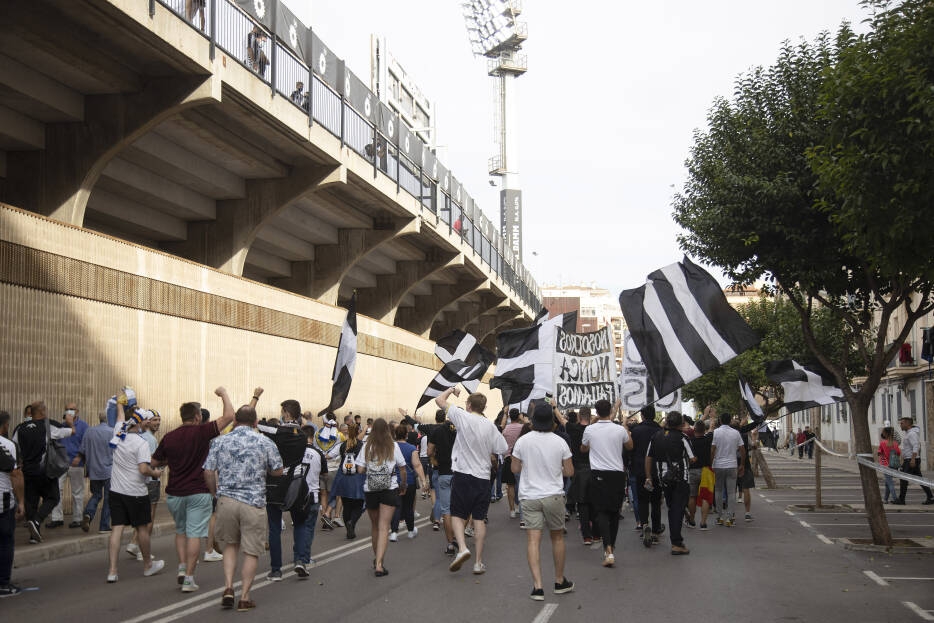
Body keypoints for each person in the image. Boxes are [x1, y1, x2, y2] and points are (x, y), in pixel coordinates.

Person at [151, 388, 238, 592]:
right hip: (198, 492)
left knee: (180, 531)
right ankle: (189, 579)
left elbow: (154, 461)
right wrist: (224, 393)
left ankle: (182, 568)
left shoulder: (169, 436)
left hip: (174, 493)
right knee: (194, 534)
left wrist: (171, 460)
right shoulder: (203, 432)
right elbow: (229, 416)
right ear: (198, 416)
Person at [204, 404, 283, 611]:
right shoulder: (265, 441)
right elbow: (278, 471)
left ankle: (229, 587)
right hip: (253, 502)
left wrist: (214, 493)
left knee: (230, 545)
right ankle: (245, 596)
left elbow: (208, 471)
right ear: (256, 422)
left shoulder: (220, 441)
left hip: (226, 501)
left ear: (236, 421)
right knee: (251, 551)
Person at [435, 387, 508, 575]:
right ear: (483, 407)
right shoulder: (489, 426)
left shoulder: (462, 416)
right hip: (483, 478)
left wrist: (451, 390)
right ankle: (478, 562)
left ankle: (462, 548)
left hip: (462, 475)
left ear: (468, 405)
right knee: (479, 519)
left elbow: (439, 400)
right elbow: (502, 447)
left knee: (457, 515)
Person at [511, 403, 575, 600]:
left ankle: (538, 587)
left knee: (533, 540)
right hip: (553, 495)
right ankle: (559, 580)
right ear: (552, 422)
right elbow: (570, 472)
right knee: (557, 538)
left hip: (529, 496)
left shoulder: (522, 442)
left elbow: (515, 469)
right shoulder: (560, 442)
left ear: (533, 420)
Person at [106, 398, 166, 582]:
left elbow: (121, 416)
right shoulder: (140, 443)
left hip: (116, 490)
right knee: (141, 528)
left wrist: (119, 403)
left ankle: (113, 571)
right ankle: (147, 565)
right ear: (140, 423)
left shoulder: (119, 432)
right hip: (136, 492)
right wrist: (155, 473)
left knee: (116, 529)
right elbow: (143, 469)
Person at [258, 399, 314, 582]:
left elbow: (251, 421)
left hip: (275, 484)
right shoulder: (302, 435)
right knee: (299, 523)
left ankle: (276, 570)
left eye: (282, 411)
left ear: (286, 413)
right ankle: (299, 560)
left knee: (274, 528)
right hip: (298, 484)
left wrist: (257, 397)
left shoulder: (277, 432)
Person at [12, 400, 75, 543]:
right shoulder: (48, 426)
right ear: (42, 412)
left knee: (31, 503)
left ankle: (33, 536)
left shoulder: (20, 429)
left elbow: (14, 447)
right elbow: (72, 432)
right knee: (53, 498)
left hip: (27, 473)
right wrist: (70, 422)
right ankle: (37, 521)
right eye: (45, 410)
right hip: (44, 472)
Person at [581, 398, 631, 567]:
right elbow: (630, 446)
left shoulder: (590, 430)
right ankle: (611, 548)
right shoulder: (619, 430)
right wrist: (625, 427)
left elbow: (583, 448)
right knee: (614, 512)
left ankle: (608, 548)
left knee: (601, 512)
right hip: (617, 474)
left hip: (598, 474)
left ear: (596, 411)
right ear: (610, 411)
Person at [354, 418, 406, 577]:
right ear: (388, 431)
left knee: (375, 526)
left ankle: (376, 557)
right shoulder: (393, 445)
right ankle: (379, 564)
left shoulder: (366, 446)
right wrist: (403, 485)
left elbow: (360, 470)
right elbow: (402, 468)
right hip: (389, 488)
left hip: (371, 489)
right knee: (385, 527)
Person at [645, 411, 695, 555]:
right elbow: (692, 458)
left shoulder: (656, 436)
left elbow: (648, 457)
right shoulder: (683, 438)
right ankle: (676, 543)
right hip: (681, 478)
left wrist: (648, 476)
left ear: (666, 421)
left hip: (663, 478)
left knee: (672, 507)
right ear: (680, 423)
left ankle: (676, 540)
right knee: (677, 510)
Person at [127, 411, 163, 561]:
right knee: (150, 516)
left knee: (142, 515)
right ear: (146, 421)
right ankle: (143, 550)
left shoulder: (135, 437)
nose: (157, 423)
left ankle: (134, 543)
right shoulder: (150, 440)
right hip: (151, 480)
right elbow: (153, 462)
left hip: (138, 481)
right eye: (154, 420)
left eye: (159, 420)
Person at [49, 402, 87, 529]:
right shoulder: (61, 426)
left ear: (77, 411)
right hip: (61, 464)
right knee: (56, 490)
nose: (69, 411)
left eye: (72, 409)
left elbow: (86, 443)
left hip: (76, 463)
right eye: (67, 409)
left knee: (77, 492)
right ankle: (57, 518)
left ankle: (77, 519)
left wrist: (80, 456)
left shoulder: (83, 426)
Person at [630, 405, 663, 546]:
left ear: (642, 415)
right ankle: (655, 530)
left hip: (640, 469)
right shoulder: (660, 431)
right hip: (656, 470)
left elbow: (631, 449)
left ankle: (644, 525)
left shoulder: (636, 431)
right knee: (656, 502)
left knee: (642, 500)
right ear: (654, 415)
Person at [0, 410, 25, 597]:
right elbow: (15, 474)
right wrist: (21, 502)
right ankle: (3, 583)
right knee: (6, 542)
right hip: (3, 502)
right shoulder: (7, 445)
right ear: (5, 426)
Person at [428, 410, 458, 555]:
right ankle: (460, 537)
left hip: (444, 472)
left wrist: (435, 457)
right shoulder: (461, 429)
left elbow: (429, 452)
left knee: (447, 510)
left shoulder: (438, 430)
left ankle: (450, 545)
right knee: (460, 508)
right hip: (460, 473)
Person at [390, 425, 427, 541]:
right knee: (408, 507)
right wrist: (423, 480)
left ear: (395, 435)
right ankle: (410, 531)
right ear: (406, 435)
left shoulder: (391, 447)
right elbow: (417, 465)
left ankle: (394, 532)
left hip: (394, 481)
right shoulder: (412, 448)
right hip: (409, 481)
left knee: (396, 507)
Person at [79, 412, 114, 533]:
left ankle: (88, 514)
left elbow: (82, 450)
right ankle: (104, 525)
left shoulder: (89, 431)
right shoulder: (112, 432)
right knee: (109, 498)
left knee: (97, 495)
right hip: (109, 470)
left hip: (93, 470)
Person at [565, 406, 595, 545]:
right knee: (594, 502)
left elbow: (561, 420)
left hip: (578, 470)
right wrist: (617, 405)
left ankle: (586, 535)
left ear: (579, 417)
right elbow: (610, 418)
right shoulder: (594, 430)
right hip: (594, 469)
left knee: (582, 503)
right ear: (590, 416)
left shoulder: (572, 429)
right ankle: (595, 532)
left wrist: (554, 407)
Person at [711, 411, 746, 526]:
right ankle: (730, 518)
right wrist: (742, 464)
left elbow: (712, 449)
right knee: (731, 493)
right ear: (730, 420)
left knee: (718, 491)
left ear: (720, 420)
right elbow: (742, 449)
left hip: (718, 465)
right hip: (732, 465)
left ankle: (719, 517)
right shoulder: (736, 433)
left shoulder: (715, 432)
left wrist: (711, 463)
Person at [331, 424, 365, 539]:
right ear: (358, 432)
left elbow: (332, 456)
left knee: (347, 506)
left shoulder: (342, 445)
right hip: (357, 479)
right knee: (359, 505)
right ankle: (352, 523)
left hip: (343, 478)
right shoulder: (362, 445)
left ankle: (349, 529)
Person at [894, 416, 934, 505]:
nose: (900, 425)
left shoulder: (912, 434)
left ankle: (901, 500)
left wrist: (913, 460)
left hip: (911, 460)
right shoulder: (909, 433)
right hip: (909, 459)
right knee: (919, 479)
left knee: (904, 479)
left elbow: (916, 446)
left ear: (908, 424)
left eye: (902, 423)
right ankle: (930, 497)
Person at [313, 414, 343, 531]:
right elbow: (339, 451)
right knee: (336, 494)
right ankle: (328, 514)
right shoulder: (339, 435)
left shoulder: (317, 434)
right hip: (334, 469)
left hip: (320, 469)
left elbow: (316, 451)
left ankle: (326, 520)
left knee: (323, 494)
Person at [687, 419, 714, 530]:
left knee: (692, 496)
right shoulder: (708, 439)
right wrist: (711, 418)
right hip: (706, 471)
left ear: (694, 431)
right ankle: (703, 523)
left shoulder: (689, 441)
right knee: (705, 497)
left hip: (692, 470)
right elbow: (711, 429)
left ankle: (692, 520)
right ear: (704, 430)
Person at [501, 408, 524, 520]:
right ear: (518, 416)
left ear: (510, 416)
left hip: (509, 458)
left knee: (510, 486)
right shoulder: (523, 428)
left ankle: (512, 510)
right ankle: (521, 507)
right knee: (522, 484)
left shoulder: (505, 429)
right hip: (521, 459)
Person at [878, 427, 901, 503]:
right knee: (887, 483)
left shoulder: (882, 443)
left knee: (890, 483)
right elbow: (898, 453)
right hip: (893, 464)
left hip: (885, 464)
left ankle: (895, 498)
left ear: (885, 433)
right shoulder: (895, 443)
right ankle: (885, 499)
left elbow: (879, 452)